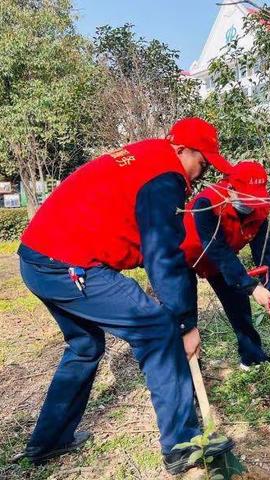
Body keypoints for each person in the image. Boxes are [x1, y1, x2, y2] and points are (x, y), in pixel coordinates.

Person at [17, 117, 240, 475]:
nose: (202, 172)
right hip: (69, 265)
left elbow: (144, 235)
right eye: (203, 161)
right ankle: (183, 446)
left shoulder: (150, 154)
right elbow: (161, 256)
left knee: (85, 346)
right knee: (157, 329)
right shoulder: (165, 177)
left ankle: (49, 441)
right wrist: (184, 323)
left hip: (37, 256)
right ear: (182, 149)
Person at [181, 161, 270, 369]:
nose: (250, 204)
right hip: (183, 257)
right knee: (185, 319)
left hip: (219, 260)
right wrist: (253, 287)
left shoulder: (259, 209)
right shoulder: (207, 204)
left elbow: (265, 252)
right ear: (230, 188)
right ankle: (189, 374)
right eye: (245, 196)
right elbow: (217, 249)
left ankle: (252, 357)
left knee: (240, 306)